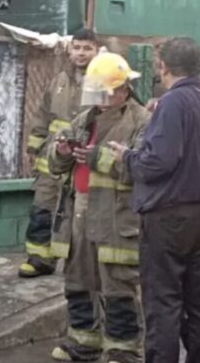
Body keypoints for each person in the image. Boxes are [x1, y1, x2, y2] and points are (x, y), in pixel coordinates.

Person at [48, 52, 149, 363]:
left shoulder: (142, 121)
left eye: (107, 92)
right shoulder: (85, 118)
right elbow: (54, 164)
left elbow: (144, 168)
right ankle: (83, 342)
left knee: (118, 286)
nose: (102, 99)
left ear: (124, 89)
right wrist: (62, 151)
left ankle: (123, 350)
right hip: (79, 213)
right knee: (77, 281)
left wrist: (99, 158)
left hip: (118, 219)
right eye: (98, 92)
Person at [109, 37, 200, 363]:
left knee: (163, 303)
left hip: (168, 218)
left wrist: (127, 157)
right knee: (195, 303)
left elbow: (157, 162)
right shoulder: (187, 99)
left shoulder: (175, 103)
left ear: (163, 67)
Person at [19, 28, 99, 278]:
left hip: (82, 160)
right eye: (77, 47)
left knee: (77, 211)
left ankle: (79, 264)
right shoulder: (60, 79)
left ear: (97, 51)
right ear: (69, 49)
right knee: (43, 206)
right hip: (51, 157)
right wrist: (34, 145)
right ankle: (39, 258)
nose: (81, 53)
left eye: (87, 48)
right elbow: (43, 113)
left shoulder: (103, 81)